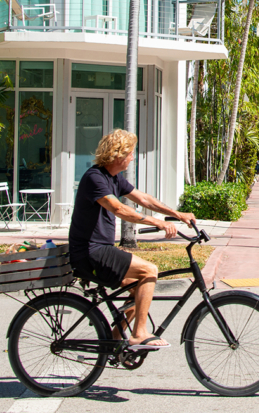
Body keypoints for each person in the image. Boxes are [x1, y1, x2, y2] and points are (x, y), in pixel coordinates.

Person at [68, 129, 196, 351]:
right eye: (131, 153)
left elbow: (144, 199)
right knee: (149, 271)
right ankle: (139, 334)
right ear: (119, 154)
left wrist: (177, 215)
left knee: (140, 289)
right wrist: (157, 223)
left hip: (100, 250)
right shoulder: (95, 178)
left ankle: (115, 340)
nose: (132, 158)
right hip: (91, 252)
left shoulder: (113, 178)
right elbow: (118, 208)